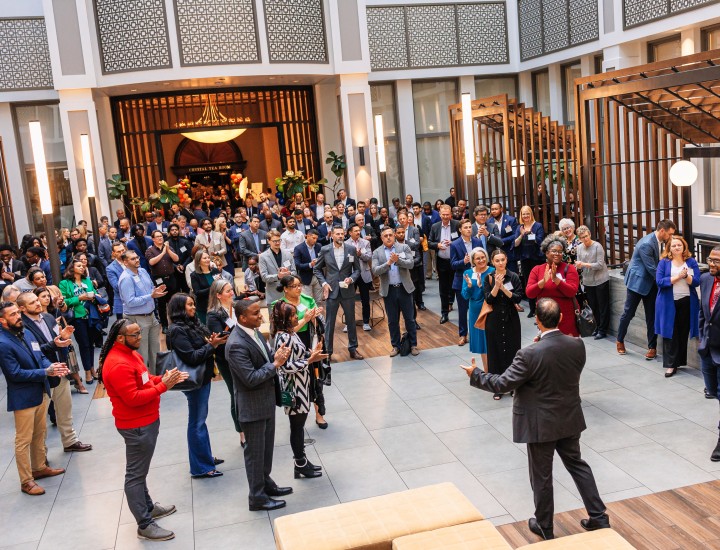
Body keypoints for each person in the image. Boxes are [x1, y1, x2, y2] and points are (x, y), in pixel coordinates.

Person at [461, 298, 610, 540]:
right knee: (577, 465)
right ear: (560, 318)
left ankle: (544, 525)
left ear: (537, 321)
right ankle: (599, 516)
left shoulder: (528, 353)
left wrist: (476, 374)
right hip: (569, 417)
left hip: (540, 424)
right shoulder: (577, 345)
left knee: (542, 476)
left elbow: (501, 383)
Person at [99, 319, 187, 541]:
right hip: (136, 425)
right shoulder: (118, 364)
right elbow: (133, 398)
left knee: (141, 471)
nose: (140, 337)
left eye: (139, 333)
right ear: (120, 338)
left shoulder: (130, 354)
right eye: (135, 335)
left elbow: (144, 381)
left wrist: (164, 379)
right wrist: (163, 387)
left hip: (145, 421)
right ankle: (144, 524)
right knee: (136, 475)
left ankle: (147, 506)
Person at [226, 300, 293, 511]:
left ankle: (265, 483)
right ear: (242, 318)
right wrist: (276, 364)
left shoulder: (254, 333)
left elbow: (262, 359)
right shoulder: (236, 343)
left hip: (265, 402)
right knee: (255, 455)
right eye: (255, 314)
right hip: (252, 407)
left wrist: (275, 355)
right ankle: (257, 497)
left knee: (266, 450)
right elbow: (251, 378)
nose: (261, 316)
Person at [0, 301, 69, 495]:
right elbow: (14, 374)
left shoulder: (27, 333)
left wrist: (52, 367)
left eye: (17, 313)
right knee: (23, 440)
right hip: (23, 397)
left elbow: (40, 356)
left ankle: (39, 467)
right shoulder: (3, 344)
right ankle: (26, 480)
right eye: (12, 315)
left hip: (40, 391)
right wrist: (44, 372)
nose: (17, 317)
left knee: (40, 432)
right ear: (2, 320)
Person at [17, 292, 92, 452]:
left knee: (65, 410)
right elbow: (32, 352)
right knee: (40, 420)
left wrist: (63, 338)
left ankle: (70, 441)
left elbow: (56, 341)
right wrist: (54, 344)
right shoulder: (22, 327)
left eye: (37, 300)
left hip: (60, 370)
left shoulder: (49, 318)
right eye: (32, 302)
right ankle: (40, 455)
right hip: (43, 374)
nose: (38, 303)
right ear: (22, 308)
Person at [166, 293, 227, 478]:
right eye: (190, 305)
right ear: (179, 309)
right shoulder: (176, 330)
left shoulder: (192, 323)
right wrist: (212, 346)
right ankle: (201, 467)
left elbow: (203, 341)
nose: (193, 307)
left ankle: (205, 457)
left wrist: (212, 340)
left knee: (200, 420)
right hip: (194, 381)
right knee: (197, 422)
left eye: (193, 304)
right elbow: (191, 357)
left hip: (203, 378)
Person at [271, 300, 327, 477]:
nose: (298, 317)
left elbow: (297, 355)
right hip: (294, 388)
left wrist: (312, 353)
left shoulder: (290, 333)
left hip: (302, 384)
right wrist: (309, 361)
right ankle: (300, 463)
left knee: (299, 426)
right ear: (286, 319)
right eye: (294, 315)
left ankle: (302, 461)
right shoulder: (283, 338)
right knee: (297, 427)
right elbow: (284, 366)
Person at [274, 275, 329, 429]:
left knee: (316, 379)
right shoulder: (278, 305)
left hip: (308, 340)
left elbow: (318, 324)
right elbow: (285, 331)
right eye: (294, 286)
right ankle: (297, 415)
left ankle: (320, 414)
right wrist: (304, 319)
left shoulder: (307, 299)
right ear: (285, 288)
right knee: (295, 381)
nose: (299, 289)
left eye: (300, 285)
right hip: (290, 345)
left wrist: (315, 317)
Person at [616, 220, 677, 358]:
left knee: (651, 316)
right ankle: (619, 340)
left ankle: (652, 348)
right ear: (662, 231)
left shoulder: (660, 241)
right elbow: (652, 269)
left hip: (651, 284)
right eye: (670, 234)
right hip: (637, 283)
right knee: (628, 313)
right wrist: (668, 282)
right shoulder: (647, 244)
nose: (672, 237)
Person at [313, 225, 363, 360]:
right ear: (332, 235)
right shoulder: (325, 250)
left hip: (348, 290)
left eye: (342, 234)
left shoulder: (351, 249)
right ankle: (328, 351)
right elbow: (316, 269)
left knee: (351, 321)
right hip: (331, 291)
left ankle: (353, 348)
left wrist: (351, 279)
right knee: (330, 322)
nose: (340, 236)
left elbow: (357, 270)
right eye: (338, 234)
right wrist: (324, 283)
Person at [655, 235, 700, 377]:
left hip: (687, 302)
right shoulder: (664, 263)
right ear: (669, 248)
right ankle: (670, 365)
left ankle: (679, 361)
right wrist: (678, 277)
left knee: (682, 332)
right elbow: (660, 282)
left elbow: (697, 281)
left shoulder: (691, 262)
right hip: (669, 302)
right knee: (670, 332)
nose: (677, 247)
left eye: (679, 245)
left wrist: (686, 276)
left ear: (684, 247)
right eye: (674, 245)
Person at [206, 280, 245, 445]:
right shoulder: (213, 314)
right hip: (227, 359)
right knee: (235, 393)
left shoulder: (236, 307)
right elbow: (220, 337)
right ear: (218, 295)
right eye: (228, 291)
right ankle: (242, 432)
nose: (232, 293)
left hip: (243, 355)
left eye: (232, 290)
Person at [371, 227, 419, 357]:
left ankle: (414, 345)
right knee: (392, 320)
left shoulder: (404, 248)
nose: (388, 237)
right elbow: (375, 270)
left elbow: (410, 264)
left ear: (394, 236)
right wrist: (388, 263)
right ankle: (395, 346)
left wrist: (398, 261)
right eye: (385, 235)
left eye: (390, 235)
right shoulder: (377, 252)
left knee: (410, 319)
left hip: (404, 288)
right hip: (389, 290)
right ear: (381, 238)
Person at [117, 250, 167, 373]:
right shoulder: (126, 278)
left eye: (137, 257)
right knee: (142, 354)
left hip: (151, 316)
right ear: (125, 262)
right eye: (133, 259)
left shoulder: (143, 271)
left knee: (155, 351)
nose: (137, 260)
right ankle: (143, 383)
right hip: (137, 319)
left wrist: (156, 291)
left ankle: (156, 379)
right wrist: (150, 296)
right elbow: (130, 302)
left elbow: (150, 288)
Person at [483, 249, 523, 399]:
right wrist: (496, 286)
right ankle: (497, 387)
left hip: (511, 317)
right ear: (492, 262)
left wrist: (504, 289)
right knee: (495, 352)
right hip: (493, 318)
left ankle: (512, 385)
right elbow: (488, 299)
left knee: (513, 350)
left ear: (506, 260)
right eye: (497, 260)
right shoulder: (488, 278)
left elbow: (518, 297)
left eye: (502, 260)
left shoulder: (513, 276)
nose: (500, 263)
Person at [58, 258, 103, 384]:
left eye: (83, 266)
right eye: (79, 265)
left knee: (91, 344)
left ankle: (93, 369)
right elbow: (64, 301)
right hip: (77, 318)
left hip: (91, 316)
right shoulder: (64, 283)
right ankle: (87, 372)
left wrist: (95, 296)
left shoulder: (87, 280)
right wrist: (79, 298)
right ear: (72, 268)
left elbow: (93, 292)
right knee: (84, 345)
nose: (82, 267)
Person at [526, 236, 580, 337]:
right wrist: (543, 281)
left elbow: (572, 291)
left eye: (560, 251)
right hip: (545, 318)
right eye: (554, 251)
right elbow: (530, 293)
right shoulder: (537, 270)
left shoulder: (569, 269)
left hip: (566, 317)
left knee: (568, 349)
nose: (557, 254)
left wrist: (556, 279)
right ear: (546, 253)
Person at [699, 246, 720, 461]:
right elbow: (702, 312)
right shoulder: (705, 280)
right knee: (713, 391)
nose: (712, 264)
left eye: (716, 261)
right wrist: (701, 338)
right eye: (710, 259)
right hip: (707, 350)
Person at [451, 219, 483, 346]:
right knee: (463, 310)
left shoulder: (478, 241)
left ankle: (478, 332)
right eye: (466, 227)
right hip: (462, 281)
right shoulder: (455, 244)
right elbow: (453, 264)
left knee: (477, 308)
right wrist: (463, 262)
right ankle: (463, 335)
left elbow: (483, 259)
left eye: (470, 227)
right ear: (460, 230)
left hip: (477, 279)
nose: (469, 229)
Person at [575, 226, 610, 340]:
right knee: (593, 305)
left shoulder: (597, 246)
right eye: (582, 237)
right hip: (588, 280)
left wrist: (584, 264)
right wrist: (579, 266)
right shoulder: (579, 248)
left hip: (600, 279)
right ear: (579, 239)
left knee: (602, 305)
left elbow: (600, 265)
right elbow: (579, 264)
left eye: (586, 236)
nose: (585, 239)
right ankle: (597, 327)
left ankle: (603, 330)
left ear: (590, 234)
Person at [462, 248, 494, 370]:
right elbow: (465, 295)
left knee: (491, 340)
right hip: (475, 312)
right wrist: (470, 286)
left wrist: (481, 287)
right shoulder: (468, 273)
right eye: (478, 258)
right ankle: (487, 371)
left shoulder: (492, 271)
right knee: (482, 343)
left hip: (490, 310)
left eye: (483, 257)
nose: (481, 260)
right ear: (473, 261)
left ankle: (494, 368)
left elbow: (493, 293)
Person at [428, 205, 460, 324]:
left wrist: (453, 243)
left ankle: (456, 306)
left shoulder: (457, 224)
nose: (445, 217)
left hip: (455, 261)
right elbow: (429, 242)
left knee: (456, 286)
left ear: (451, 214)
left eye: (448, 214)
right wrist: (438, 245)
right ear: (440, 214)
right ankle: (444, 313)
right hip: (441, 261)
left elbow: (463, 238)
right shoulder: (435, 226)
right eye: (443, 214)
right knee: (443, 288)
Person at [514, 205, 546, 317]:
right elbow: (515, 243)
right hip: (525, 259)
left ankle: (541, 309)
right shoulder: (519, 227)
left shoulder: (538, 226)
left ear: (531, 214)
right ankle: (532, 309)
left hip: (537, 258)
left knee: (540, 283)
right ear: (521, 216)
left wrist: (530, 234)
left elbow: (540, 241)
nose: (526, 216)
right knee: (529, 283)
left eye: (527, 213)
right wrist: (522, 234)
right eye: (523, 214)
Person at [146, 230, 179, 333]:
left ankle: (176, 323)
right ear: (153, 239)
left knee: (173, 301)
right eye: (158, 236)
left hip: (171, 277)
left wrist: (167, 250)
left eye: (161, 236)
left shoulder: (168, 248)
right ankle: (164, 325)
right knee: (161, 303)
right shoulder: (150, 250)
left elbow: (176, 259)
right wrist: (163, 253)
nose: (160, 238)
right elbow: (151, 262)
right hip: (159, 279)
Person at [259, 229, 297, 306]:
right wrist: (278, 276)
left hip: (289, 294)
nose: (277, 243)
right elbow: (264, 277)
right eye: (274, 241)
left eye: (279, 240)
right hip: (273, 295)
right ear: (268, 241)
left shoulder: (288, 254)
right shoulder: (263, 256)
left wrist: (289, 273)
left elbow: (294, 272)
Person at [347, 224, 373, 332]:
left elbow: (369, 257)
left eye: (359, 230)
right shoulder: (345, 244)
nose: (358, 232)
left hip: (364, 274)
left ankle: (366, 322)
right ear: (350, 233)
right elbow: (345, 260)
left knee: (365, 300)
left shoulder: (365, 243)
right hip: (351, 274)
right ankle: (348, 323)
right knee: (348, 300)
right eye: (355, 231)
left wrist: (360, 254)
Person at [190, 250, 222, 324]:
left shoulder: (215, 270)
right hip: (204, 307)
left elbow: (221, 286)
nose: (207, 259)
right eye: (204, 258)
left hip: (218, 305)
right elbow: (197, 292)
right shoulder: (194, 275)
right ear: (198, 261)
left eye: (208, 257)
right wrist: (213, 286)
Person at [293, 229, 323, 306]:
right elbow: (297, 265)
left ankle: (318, 317)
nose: (315, 240)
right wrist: (310, 264)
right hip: (305, 277)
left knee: (319, 300)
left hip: (317, 276)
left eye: (316, 238)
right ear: (307, 236)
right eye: (313, 238)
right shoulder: (298, 248)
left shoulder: (319, 246)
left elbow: (324, 261)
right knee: (307, 301)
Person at [490, 202, 519, 274]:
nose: (494, 211)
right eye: (492, 209)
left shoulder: (511, 220)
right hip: (494, 254)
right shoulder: (488, 222)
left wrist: (501, 241)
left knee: (511, 277)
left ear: (501, 209)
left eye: (496, 209)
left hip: (509, 253)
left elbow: (515, 235)